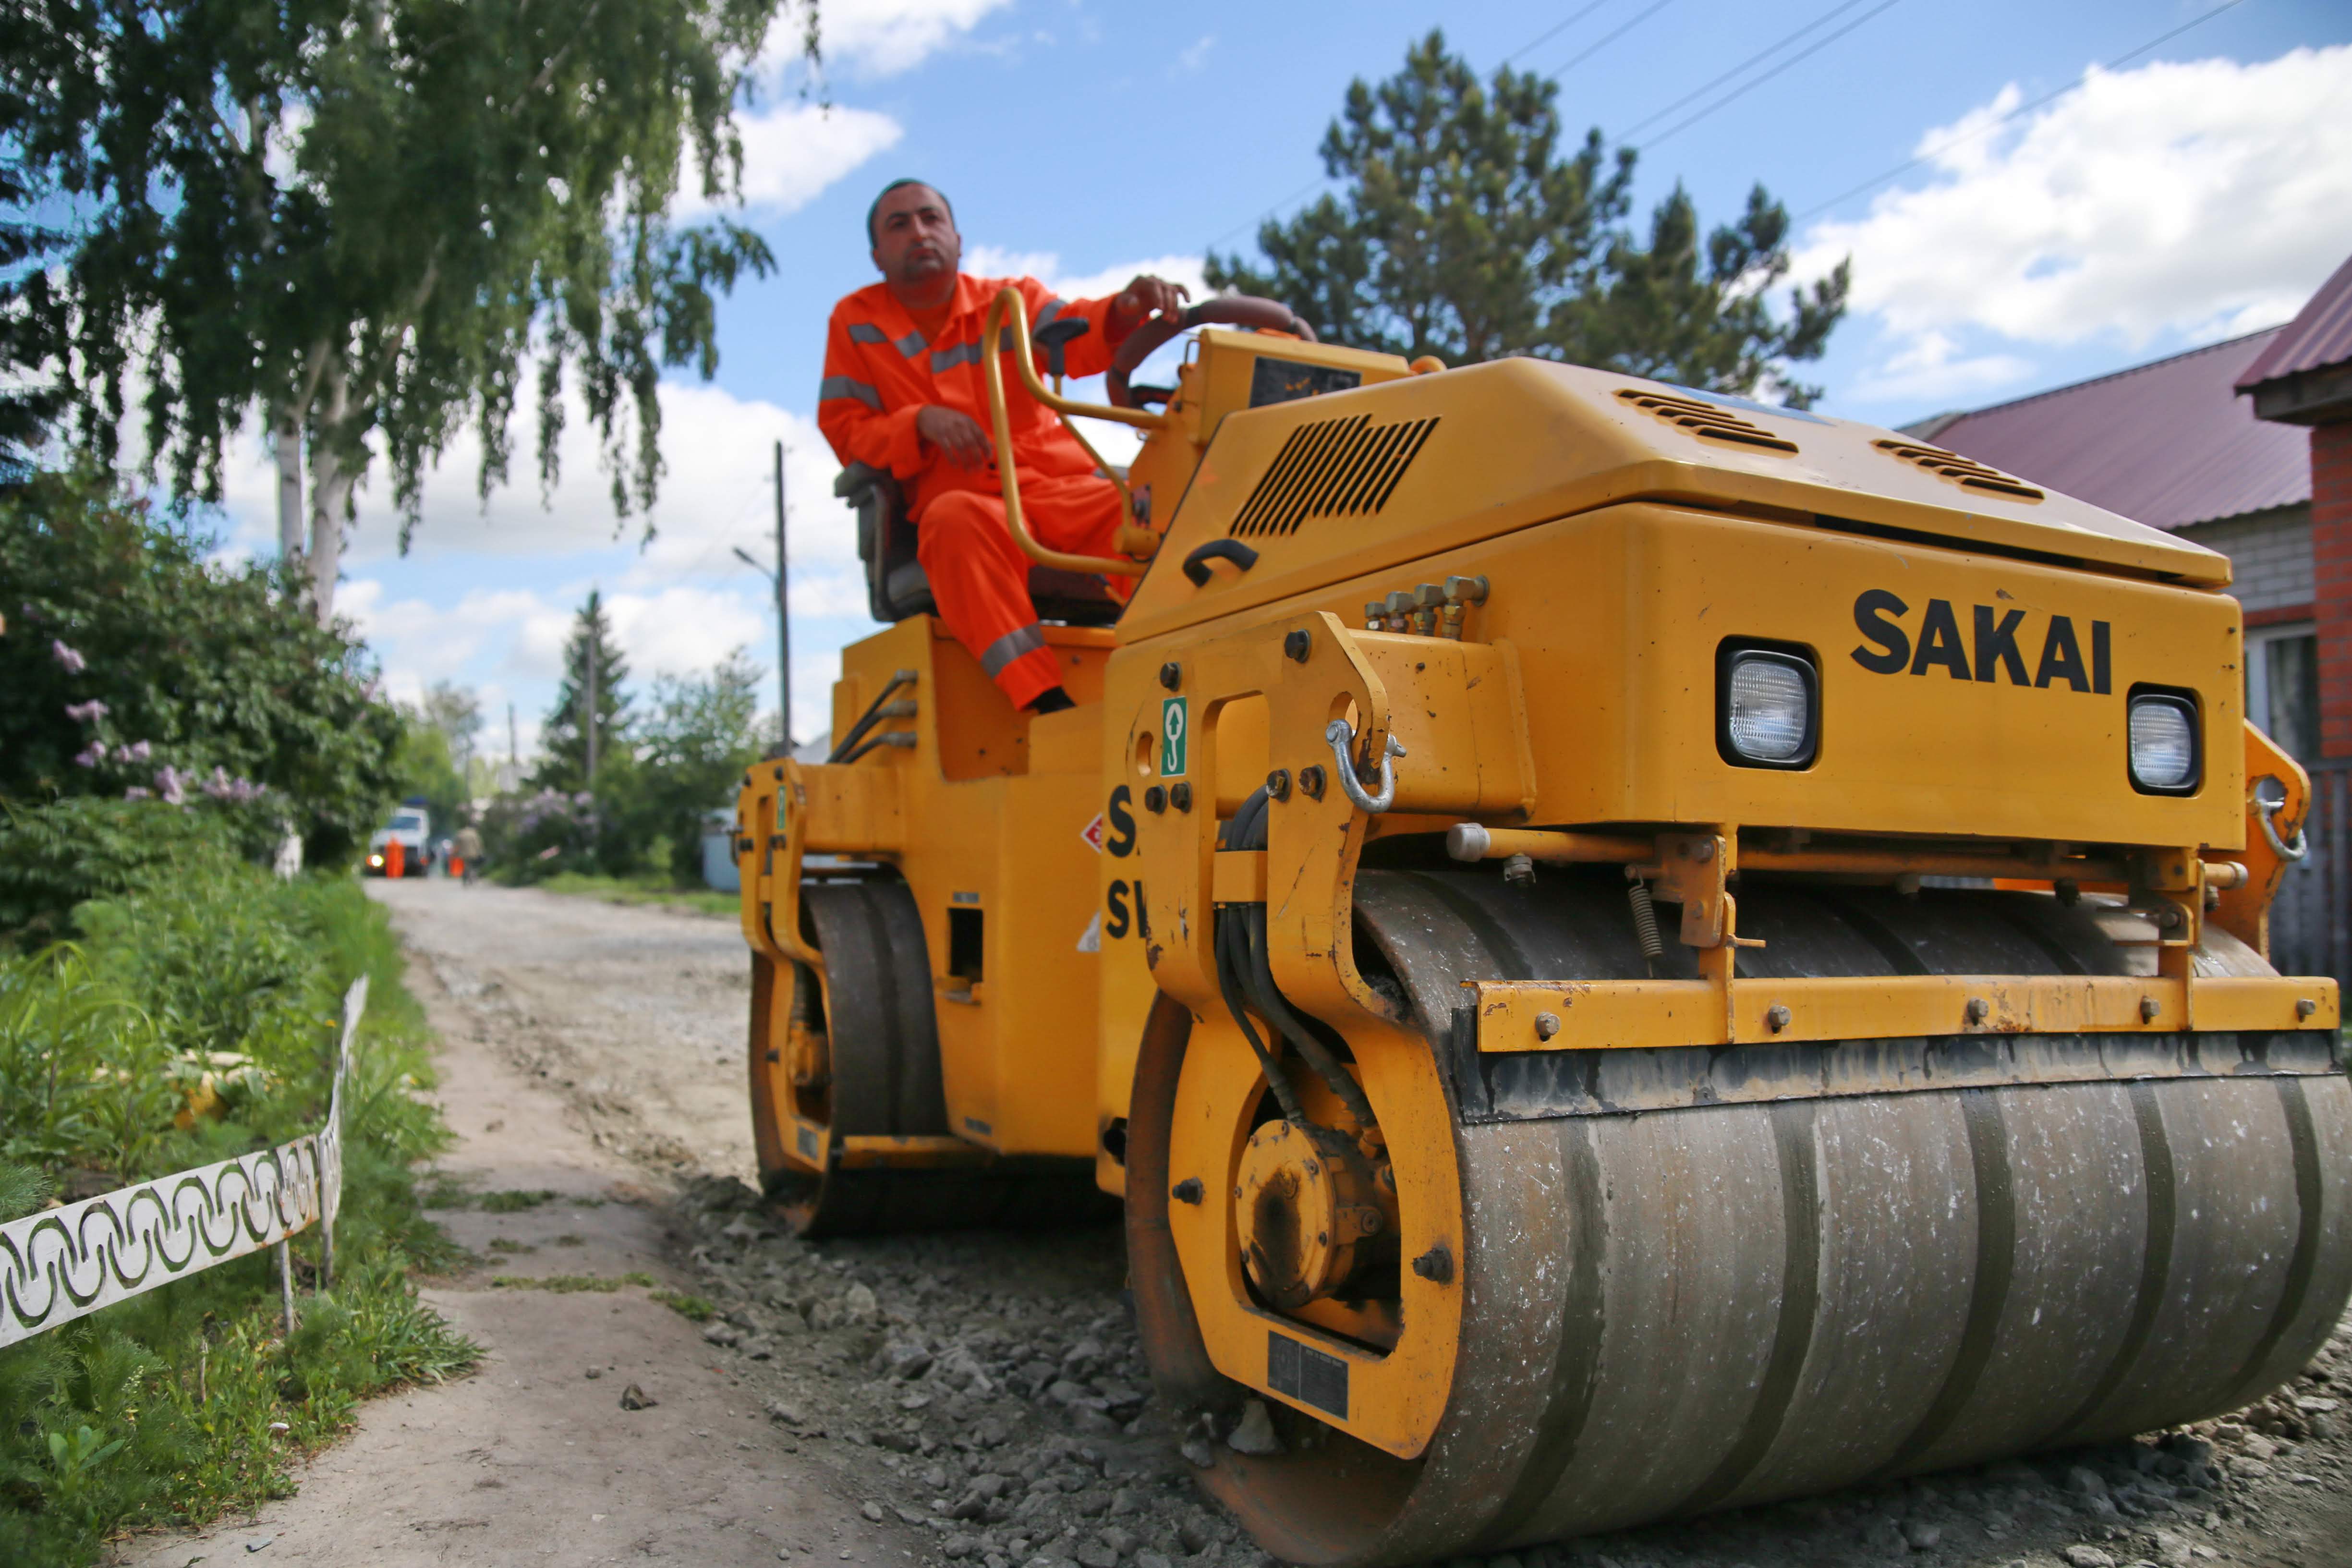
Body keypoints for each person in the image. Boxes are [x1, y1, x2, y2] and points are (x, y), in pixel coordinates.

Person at [819, 179, 1190, 714]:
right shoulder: (855, 324)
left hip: (1060, 488)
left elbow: (1076, 331)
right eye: (899, 225)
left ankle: (1175, 674)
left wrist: (1123, 308)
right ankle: (1046, 703)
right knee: (952, 523)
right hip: (968, 503)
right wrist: (917, 422)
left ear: (957, 238)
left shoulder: (1010, 301)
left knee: (1160, 507)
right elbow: (845, 429)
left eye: (930, 218)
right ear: (877, 255)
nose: (919, 232)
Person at [452, 822, 485, 886]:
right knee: (472, 866)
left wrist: (455, 853)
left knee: (465, 866)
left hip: (462, 853)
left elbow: (457, 844)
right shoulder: (474, 834)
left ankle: (465, 877)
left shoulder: (461, 833)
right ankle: (471, 877)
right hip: (473, 853)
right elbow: (478, 844)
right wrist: (480, 852)